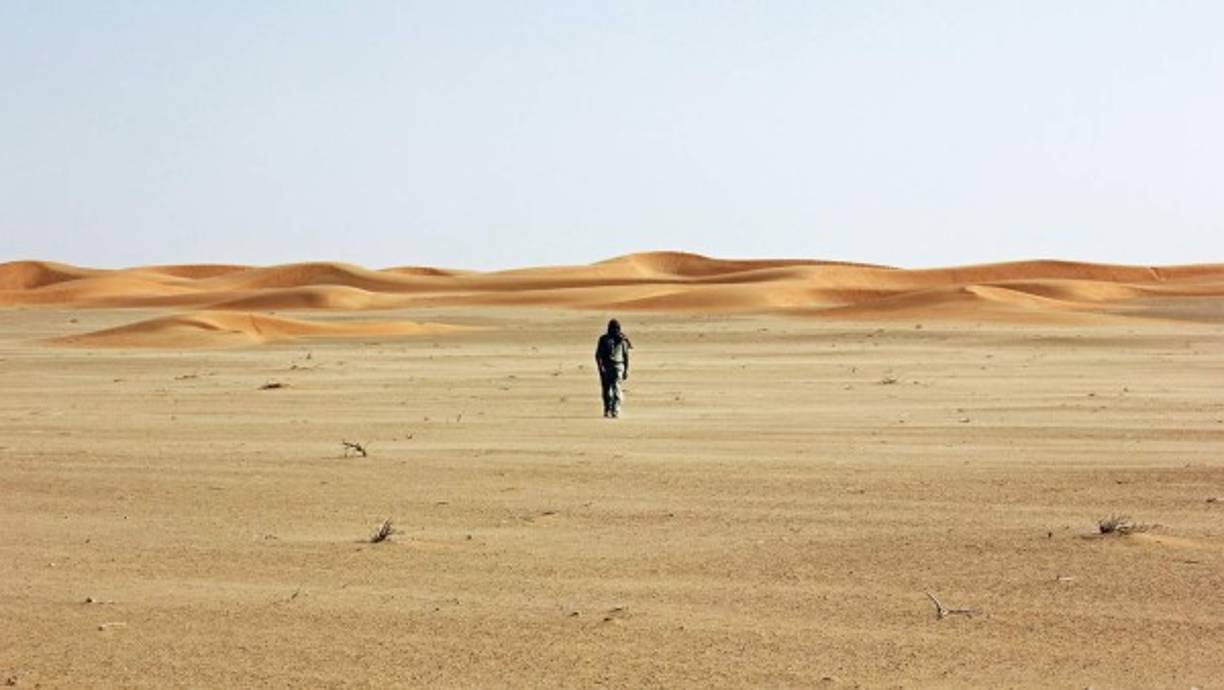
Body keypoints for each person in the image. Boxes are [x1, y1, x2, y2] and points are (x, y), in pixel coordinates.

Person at [594, 319, 632, 418]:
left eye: (616, 329)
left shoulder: (622, 340)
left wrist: (626, 370)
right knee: (607, 390)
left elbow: (626, 356)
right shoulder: (604, 339)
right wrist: (601, 367)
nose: (614, 330)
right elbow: (598, 355)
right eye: (612, 328)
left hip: (618, 366)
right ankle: (608, 409)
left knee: (616, 388)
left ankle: (615, 410)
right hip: (607, 367)